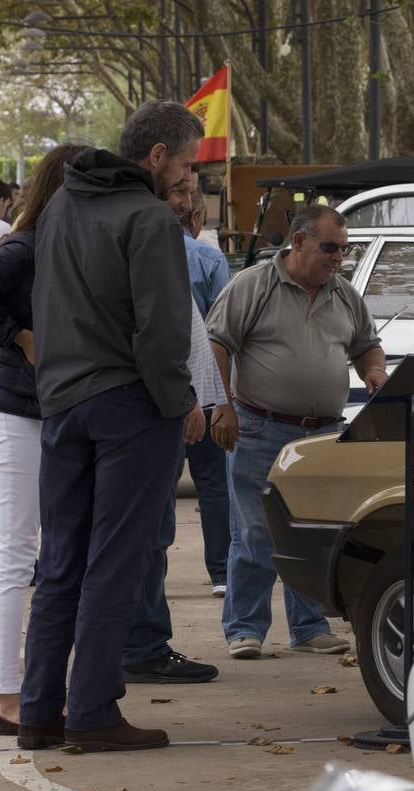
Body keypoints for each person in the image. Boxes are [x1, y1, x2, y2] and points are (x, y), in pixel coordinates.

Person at [19, 100, 202, 753]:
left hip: (63, 401)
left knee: (61, 562)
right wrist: (178, 401)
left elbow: (46, 302)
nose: (187, 177)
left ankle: (39, 712)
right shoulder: (149, 218)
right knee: (115, 561)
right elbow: (162, 331)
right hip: (129, 404)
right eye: (184, 163)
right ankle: (93, 711)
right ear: (156, 156)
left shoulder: (63, 204)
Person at [0, 144, 88, 731]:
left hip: (65, 405)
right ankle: (7, 698)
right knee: (16, 550)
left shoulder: (78, 244)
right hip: (17, 406)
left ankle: (42, 690)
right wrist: (18, 337)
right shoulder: (25, 246)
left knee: (58, 553)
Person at [207, 204, 385, 659]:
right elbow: (216, 345)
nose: (338, 257)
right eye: (329, 247)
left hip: (322, 436)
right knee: (254, 532)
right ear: (299, 241)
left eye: (344, 249)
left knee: (315, 531)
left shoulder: (343, 294)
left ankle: (308, 627)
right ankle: (244, 628)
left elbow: (368, 346)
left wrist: (375, 373)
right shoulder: (253, 286)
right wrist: (221, 408)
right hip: (258, 427)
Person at [121, 173, 223, 686]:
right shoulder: (159, 247)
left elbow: (194, 335)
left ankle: (139, 643)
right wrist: (189, 401)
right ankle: (141, 647)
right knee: (151, 535)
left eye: (190, 195)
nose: (187, 204)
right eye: (179, 191)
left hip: (178, 407)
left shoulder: (165, 248)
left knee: (154, 536)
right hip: (161, 412)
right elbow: (166, 341)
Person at [182, 188, 232, 598]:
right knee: (213, 482)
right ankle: (221, 572)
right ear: (196, 219)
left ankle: (150, 572)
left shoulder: (138, 254)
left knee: (159, 487)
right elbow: (225, 329)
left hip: (160, 390)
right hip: (207, 385)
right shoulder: (210, 259)